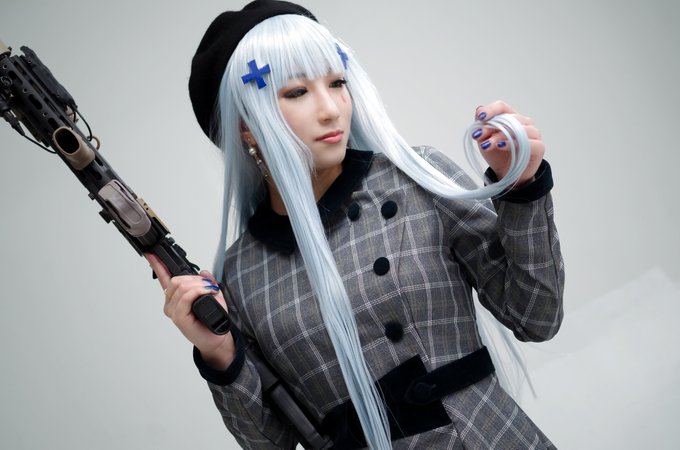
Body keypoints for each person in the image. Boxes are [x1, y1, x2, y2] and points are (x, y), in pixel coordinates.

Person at [146, 1, 564, 448]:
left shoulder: (416, 178)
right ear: (246, 126)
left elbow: (535, 317)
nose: (331, 109)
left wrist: (522, 186)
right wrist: (219, 355)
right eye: (297, 92)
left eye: (336, 82)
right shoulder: (241, 275)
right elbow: (270, 444)